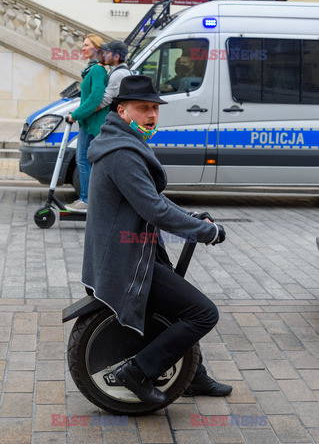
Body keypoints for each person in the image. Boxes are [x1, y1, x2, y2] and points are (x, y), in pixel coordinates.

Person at [82, 75, 232, 404]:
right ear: (122, 111)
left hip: (134, 250)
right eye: (142, 108)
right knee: (203, 313)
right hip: (126, 261)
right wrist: (206, 231)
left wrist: (191, 219)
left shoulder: (123, 142)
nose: (151, 115)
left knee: (181, 307)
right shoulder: (122, 153)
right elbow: (155, 209)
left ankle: (193, 376)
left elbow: (154, 201)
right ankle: (137, 371)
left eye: (154, 108)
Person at [65, 34, 109, 213]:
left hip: (94, 124)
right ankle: (87, 198)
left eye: (86, 45)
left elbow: (95, 97)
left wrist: (75, 115)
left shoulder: (98, 70)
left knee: (84, 161)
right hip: (87, 124)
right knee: (83, 160)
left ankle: (88, 200)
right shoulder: (90, 69)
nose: (82, 48)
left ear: (96, 48)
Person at [97, 40, 131, 112]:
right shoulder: (119, 70)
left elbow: (105, 100)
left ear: (116, 57)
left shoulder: (118, 74)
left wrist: (86, 113)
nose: (104, 55)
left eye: (107, 53)